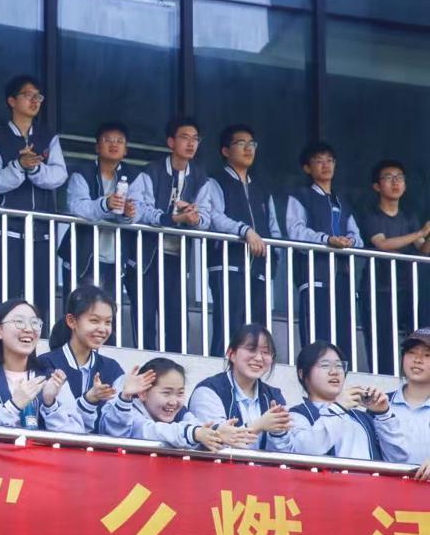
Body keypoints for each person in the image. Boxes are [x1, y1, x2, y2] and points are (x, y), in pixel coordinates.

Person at [0, 75, 67, 331]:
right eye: (28, 95)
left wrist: (35, 168)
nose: (35, 100)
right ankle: (1, 342)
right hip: (6, 230)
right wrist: (19, 166)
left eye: (38, 96)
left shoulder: (48, 137)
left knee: (41, 298)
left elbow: (59, 175)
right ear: (12, 101)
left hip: (42, 230)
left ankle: (38, 344)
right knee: (6, 297)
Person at [130, 116, 212, 352]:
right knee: (145, 313)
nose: (191, 143)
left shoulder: (201, 177)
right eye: (184, 137)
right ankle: (143, 361)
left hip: (177, 257)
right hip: (146, 256)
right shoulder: (151, 171)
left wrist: (194, 218)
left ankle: (175, 363)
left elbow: (206, 216)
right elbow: (138, 209)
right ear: (170, 142)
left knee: (176, 316)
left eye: (195, 139)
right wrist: (171, 219)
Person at [56, 121, 140, 345]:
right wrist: (106, 204)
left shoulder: (134, 176)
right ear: (97, 146)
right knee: (77, 310)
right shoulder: (82, 174)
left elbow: (139, 211)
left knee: (108, 313)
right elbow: (78, 207)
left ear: (126, 149)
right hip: (82, 256)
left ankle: (105, 357)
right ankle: (70, 352)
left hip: (115, 259)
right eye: (108, 140)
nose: (114, 144)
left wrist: (128, 214)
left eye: (119, 141)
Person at [204, 124, 282, 357]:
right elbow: (214, 217)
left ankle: (253, 366)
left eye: (252, 144)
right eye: (241, 143)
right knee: (229, 323)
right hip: (228, 262)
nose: (248, 149)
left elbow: (273, 227)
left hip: (259, 267)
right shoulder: (215, 182)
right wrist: (244, 230)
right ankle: (221, 365)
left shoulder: (261, 188)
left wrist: (274, 255)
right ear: (225, 151)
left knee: (257, 326)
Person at [38, 285, 153, 432]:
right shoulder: (47, 363)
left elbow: (117, 431)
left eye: (108, 322)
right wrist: (89, 399)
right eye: (94, 321)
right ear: (71, 321)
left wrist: (125, 397)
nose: (102, 329)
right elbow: (63, 425)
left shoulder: (112, 369)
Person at [286, 141, 363, 353]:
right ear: (307, 168)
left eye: (330, 160)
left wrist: (350, 242)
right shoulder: (300, 196)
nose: (326, 165)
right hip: (314, 276)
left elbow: (357, 236)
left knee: (343, 337)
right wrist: (326, 240)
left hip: (342, 277)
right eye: (319, 161)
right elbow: (296, 231)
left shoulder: (342, 201)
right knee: (316, 336)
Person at [0, 299, 82, 432]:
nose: (29, 329)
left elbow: (77, 432)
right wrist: (13, 406)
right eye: (19, 322)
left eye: (35, 323)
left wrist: (50, 404)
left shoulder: (52, 379)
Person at [360, 160, 430, 374]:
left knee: (417, 337)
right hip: (379, 289)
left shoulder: (409, 217)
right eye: (389, 178)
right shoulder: (371, 215)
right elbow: (382, 244)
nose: (395, 182)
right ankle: (384, 379)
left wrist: (427, 236)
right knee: (382, 339)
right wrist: (420, 233)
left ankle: (414, 378)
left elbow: (423, 250)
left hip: (406, 288)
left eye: (399, 178)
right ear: (376, 186)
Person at [100, 357, 255, 451]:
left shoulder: (182, 414)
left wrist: (217, 433)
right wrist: (196, 435)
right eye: (166, 393)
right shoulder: (129, 411)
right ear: (143, 393)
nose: (173, 402)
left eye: (180, 393)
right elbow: (152, 431)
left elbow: (198, 429)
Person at [188, 324, 293, 451]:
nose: (259, 358)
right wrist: (260, 425)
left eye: (265, 352)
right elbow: (216, 442)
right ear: (231, 354)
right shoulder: (208, 391)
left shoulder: (273, 396)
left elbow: (286, 453)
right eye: (251, 349)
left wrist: (278, 433)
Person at [287, 341, 391, 460]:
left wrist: (384, 414)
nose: (334, 372)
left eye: (339, 365)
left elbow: (398, 457)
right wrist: (338, 408)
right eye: (325, 365)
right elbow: (304, 451)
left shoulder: (363, 418)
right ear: (302, 374)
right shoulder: (296, 415)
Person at [373, 328, 430, 481]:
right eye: (411, 352)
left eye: (427, 355)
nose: (417, 360)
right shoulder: (380, 403)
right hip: (390, 492)